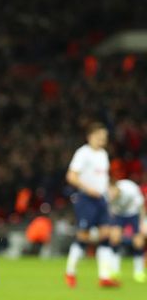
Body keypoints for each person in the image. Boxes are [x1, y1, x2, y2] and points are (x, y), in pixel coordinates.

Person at [64, 122, 118, 288]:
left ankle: (104, 276)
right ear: (90, 137)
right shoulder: (83, 153)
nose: (102, 139)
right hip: (85, 198)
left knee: (105, 233)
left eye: (104, 137)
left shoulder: (103, 154)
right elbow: (71, 176)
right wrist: (89, 189)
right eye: (99, 136)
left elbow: (103, 178)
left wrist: (110, 189)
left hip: (101, 199)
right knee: (83, 236)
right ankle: (70, 272)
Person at [108, 178, 146, 283]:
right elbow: (108, 209)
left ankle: (139, 272)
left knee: (138, 242)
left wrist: (142, 223)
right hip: (119, 214)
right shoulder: (108, 195)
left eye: (112, 191)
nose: (111, 194)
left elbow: (141, 206)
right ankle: (115, 270)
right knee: (114, 238)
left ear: (117, 188)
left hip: (133, 213)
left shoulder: (130, 189)